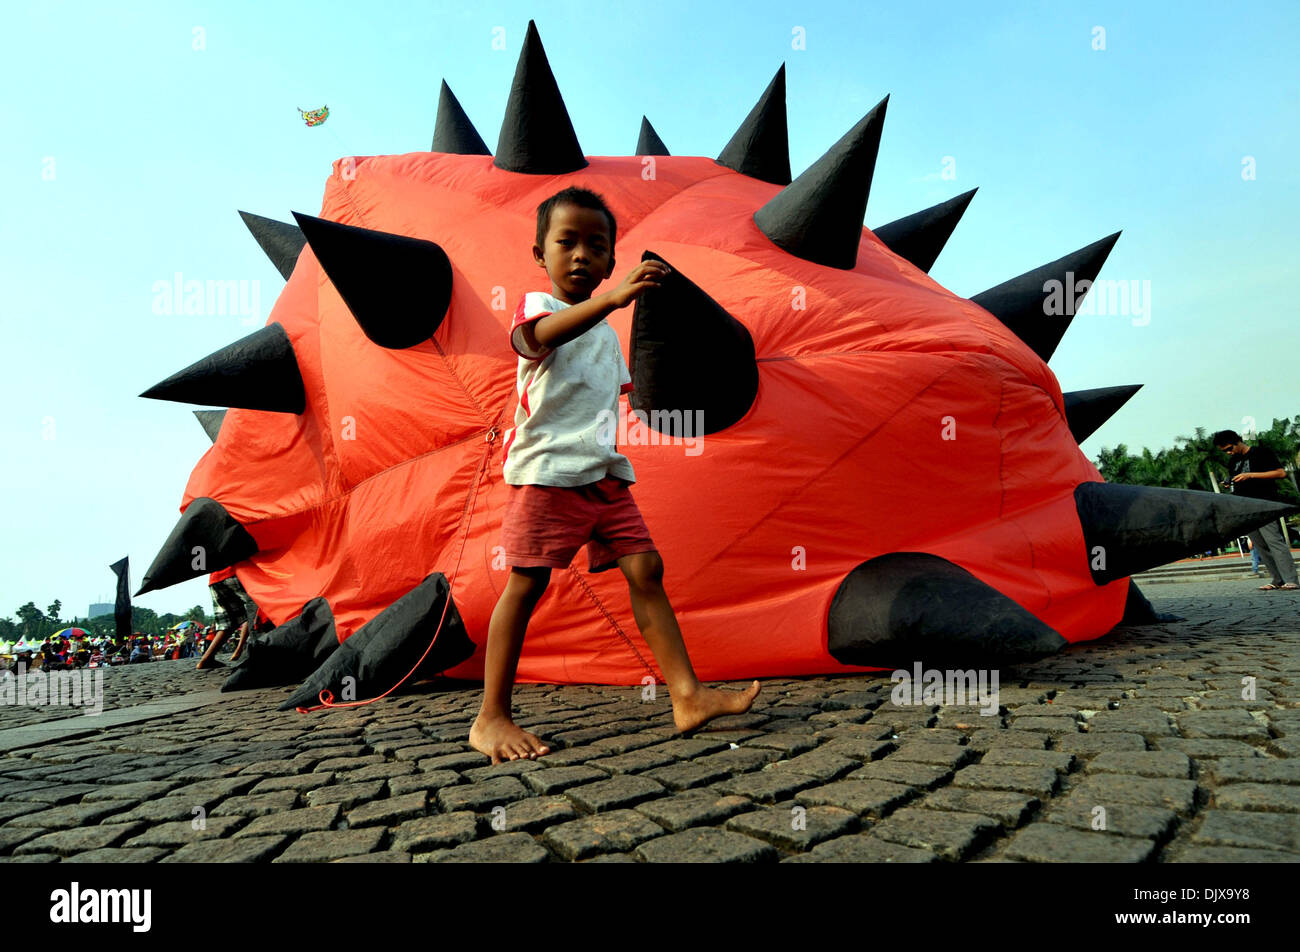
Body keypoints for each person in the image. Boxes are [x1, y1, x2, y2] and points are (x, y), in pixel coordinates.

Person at [469, 186, 760, 764]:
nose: (581, 255)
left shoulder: (605, 335)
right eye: (566, 242)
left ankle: (687, 695)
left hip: (603, 476)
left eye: (596, 246)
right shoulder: (540, 311)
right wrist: (611, 302)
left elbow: (611, 398)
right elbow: (539, 341)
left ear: (609, 262)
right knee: (527, 584)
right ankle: (490, 717)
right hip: (548, 475)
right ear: (539, 254)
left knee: (645, 568)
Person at [1214, 429, 1298, 591]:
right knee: (1260, 545)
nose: (1228, 453)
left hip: (1264, 504)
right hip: (1245, 508)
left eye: (1229, 448)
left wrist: (1251, 475)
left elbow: (1281, 473)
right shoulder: (1234, 462)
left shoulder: (1261, 453)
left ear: (1237, 441)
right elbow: (1236, 480)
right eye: (1224, 451)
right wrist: (1229, 482)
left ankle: (1291, 579)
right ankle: (1277, 580)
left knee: (1274, 542)